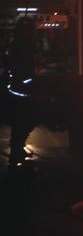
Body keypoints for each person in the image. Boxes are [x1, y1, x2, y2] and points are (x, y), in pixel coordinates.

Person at [2, 17, 38, 170]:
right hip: (21, 93)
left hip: (17, 91)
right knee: (23, 122)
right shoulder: (24, 47)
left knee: (21, 123)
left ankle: (17, 150)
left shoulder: (14, 46)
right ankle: (17, 153)